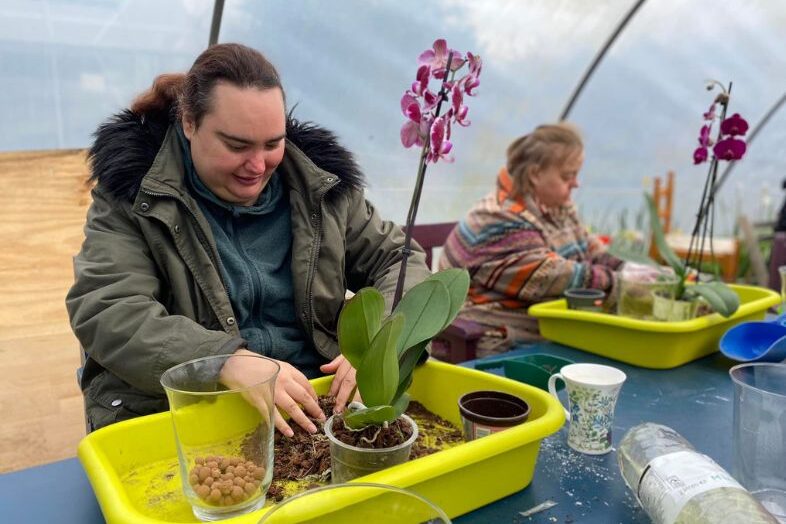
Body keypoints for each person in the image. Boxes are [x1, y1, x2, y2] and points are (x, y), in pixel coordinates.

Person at [66, 43, 430, 436]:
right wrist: (222, 361)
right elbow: (107, 307)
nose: (258, 166)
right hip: (187, 412)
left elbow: (399, 256)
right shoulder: (135, 197)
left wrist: (382, 345)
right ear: (189, 123)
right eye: (237, 146)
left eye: (273, 143)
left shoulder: (321, 188)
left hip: (316, 408)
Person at [438, 123, 621, 354]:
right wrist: (620, 282)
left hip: (541, 329)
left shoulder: (557, 209)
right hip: (491, 337)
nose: (576, 183)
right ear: (535, 174)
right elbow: (553, 276)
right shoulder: (498, 218)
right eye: (568, 176)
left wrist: (627, 269)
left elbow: (591, 250)